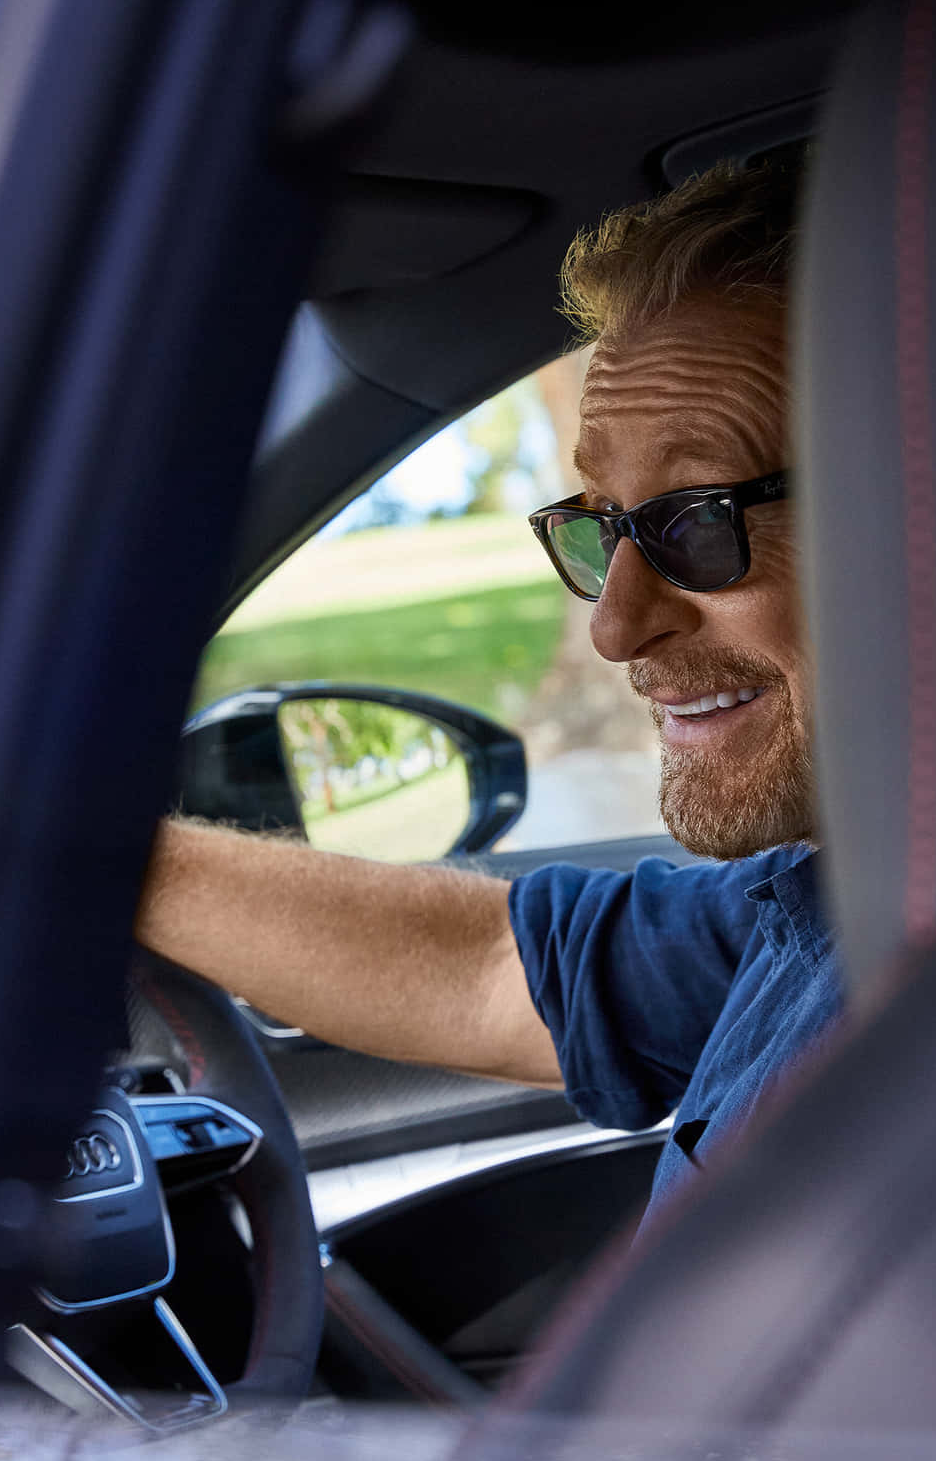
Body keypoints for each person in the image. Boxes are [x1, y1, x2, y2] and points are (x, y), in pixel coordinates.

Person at [137, 160, 842, 1217]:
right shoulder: (849, 894)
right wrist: (70, 846)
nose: (614, 626)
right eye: (600, 526)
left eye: (702, 521)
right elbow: (485, 972)